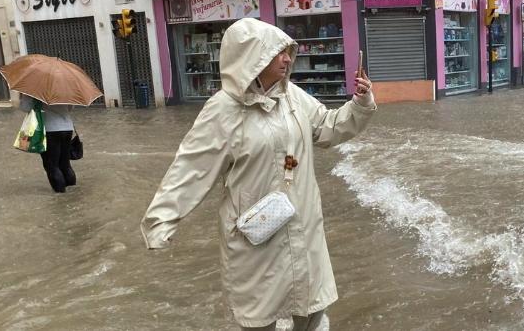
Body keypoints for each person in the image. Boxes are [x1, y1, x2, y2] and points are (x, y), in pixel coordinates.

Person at [140, 18, 376, 331]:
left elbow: (328, 127)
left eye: (287, 52)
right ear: (253, 56)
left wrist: (359, 104)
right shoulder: (223, 110)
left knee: (311, 309)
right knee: (258, 318)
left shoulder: (292, 96)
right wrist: (162, 219)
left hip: (303, 225)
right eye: (279, 52)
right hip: (257, 236)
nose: (288, 58)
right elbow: (191, 168)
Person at [19, 94, 76, 193]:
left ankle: (61, 197)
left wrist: (24, 97)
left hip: (49, 129)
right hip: (67, 128)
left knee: (52, 165)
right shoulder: (64, 88)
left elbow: (25, 108)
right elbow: (70, 108)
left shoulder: (35, 90)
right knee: (65, 163)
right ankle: (73, 193)